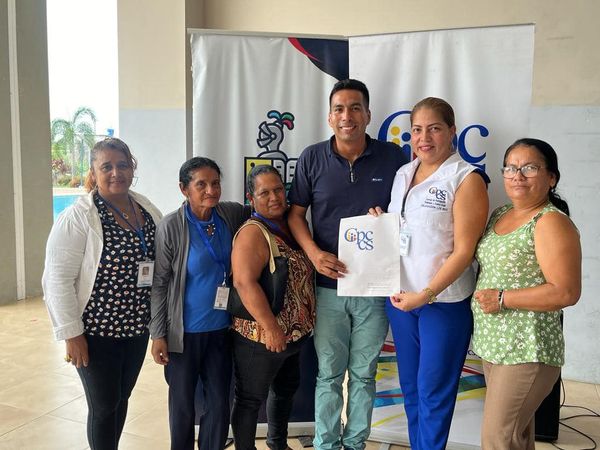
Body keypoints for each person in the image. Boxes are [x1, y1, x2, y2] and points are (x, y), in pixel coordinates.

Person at [287, 78, 409, 450]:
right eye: (339, 109)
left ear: (368, 115)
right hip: (328, 288)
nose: (347, 116)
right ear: (329, 117)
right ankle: (326, 444)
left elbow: (409, 213)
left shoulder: (393, 158)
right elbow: (295, 215)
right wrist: (313, 253)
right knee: (328, 374)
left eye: (355, 108)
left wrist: (387, 218)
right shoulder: (312, 158)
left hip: (375, 288)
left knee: (364, 374)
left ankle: (355, 443)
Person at [369, 97, 489, 450]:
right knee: (411, 389)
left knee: (434, 391)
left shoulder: (465, 179)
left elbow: (464, 251)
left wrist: (426, 294)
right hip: (401, 299)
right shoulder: (403, 174)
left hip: (442, 302)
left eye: (434, 129)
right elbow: (406, 230)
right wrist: (381, 223)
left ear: (452, 131)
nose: (424, 138)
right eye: (417, 130)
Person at [42, 137, 162, 450]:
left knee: (121, 397)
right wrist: (72, 334)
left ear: (132, 168)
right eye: (106, 167)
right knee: (104, 405)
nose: (115, 173)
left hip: (136, 328)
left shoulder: (146, 210)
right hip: (96, 332)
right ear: (93, 173)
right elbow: (56, 279)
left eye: (122, 165)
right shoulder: (79, 217)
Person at [472, 138, 581, 450]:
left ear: (551, 178)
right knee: (516, 438)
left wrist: (503, 298)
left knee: (498, 438)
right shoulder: (502, 213)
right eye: (510, 168)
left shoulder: (550, 221)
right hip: (496, 344)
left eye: (529, 168)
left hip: (527, 348)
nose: (517, 175)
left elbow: (566, 291)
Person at [149, 157, 250, 450]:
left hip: (221, 331)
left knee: (219, 404)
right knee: (182, 406)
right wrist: (158, 334)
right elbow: (159, 284)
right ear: (184, 189)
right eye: (201, 184)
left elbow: (266, 208)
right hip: (183, 335)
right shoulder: (171, 226)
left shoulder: (229, 214)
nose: (211, 190)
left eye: (215, 183)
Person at [230, 164, 316, 450]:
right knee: (250, 398)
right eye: (264, 193)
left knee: (284, 391)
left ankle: (277, 444)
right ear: (251, 198)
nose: (274, 197)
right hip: (262, 337)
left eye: (278, 190)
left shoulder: (291, 225)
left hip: (293, 334)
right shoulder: (253, 232)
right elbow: (244, 283)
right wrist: (271, 328)